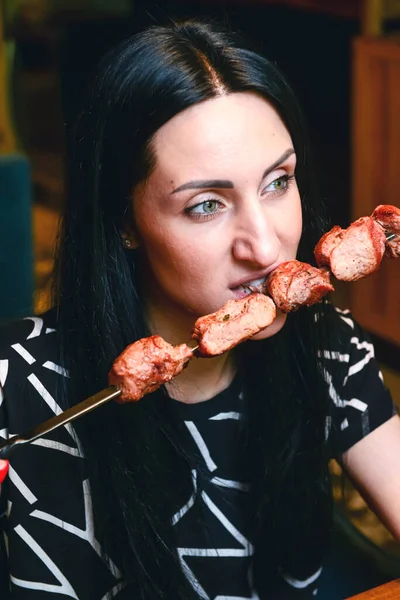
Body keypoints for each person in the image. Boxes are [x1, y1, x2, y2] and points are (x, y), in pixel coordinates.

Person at [0, 19, 399, 600]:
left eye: (277, 182)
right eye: (207, 205)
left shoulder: (327, 344)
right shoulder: (14, 382)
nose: (264, 247)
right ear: (124, 223)